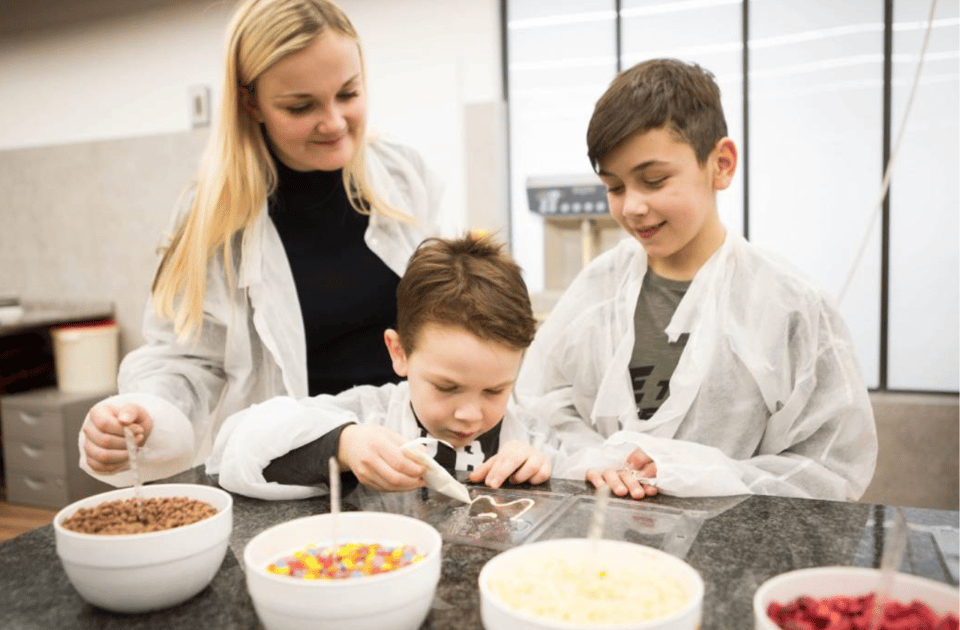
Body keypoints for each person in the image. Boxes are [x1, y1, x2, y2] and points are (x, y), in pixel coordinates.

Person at [78, 0, 446, 486]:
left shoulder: (402, 173)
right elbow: (185, 360)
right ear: (250, 102)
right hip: (296, 468)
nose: (334, 122)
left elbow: (443, 311)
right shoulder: (212, 215)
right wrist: (144, 416)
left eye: (348, 93)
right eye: (301, 106)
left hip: (409, 457)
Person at [518, 58, 877, 502]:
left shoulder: (790, 304)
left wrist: (702, 473)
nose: (631, 207)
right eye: (614, 187)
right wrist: (598, 460)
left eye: (653, 180)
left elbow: (830, 466)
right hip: (603, 538)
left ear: (721, 165)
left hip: (733, 544)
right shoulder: (598, 289)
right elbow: (541, 407)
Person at [207, 235, 555, 500]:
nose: (469, 415)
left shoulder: (532, 434)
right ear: (399, 352)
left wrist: (540, 466)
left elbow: (587, 477)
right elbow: (235, 451)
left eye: (494, 391)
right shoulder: (368, 416)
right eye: (446, 388)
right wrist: (342, 445)